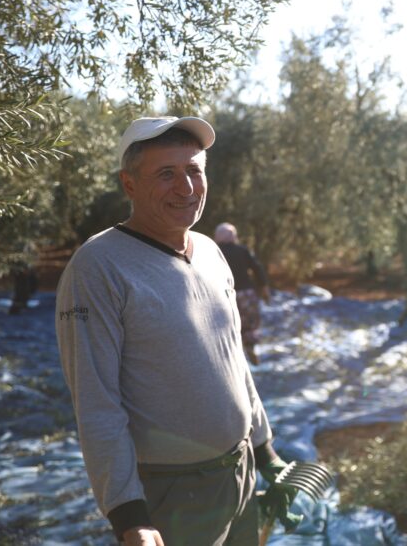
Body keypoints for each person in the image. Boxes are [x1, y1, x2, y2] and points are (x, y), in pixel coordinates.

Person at [55, 116, 297, 546]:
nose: (186, 188)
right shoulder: (98, 267)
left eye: (194, 171)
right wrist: (129, 515)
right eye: (166, 174)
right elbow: (97, 402)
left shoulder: (209, 250)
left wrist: (265, 451)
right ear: (128, 184)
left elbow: (232, 361)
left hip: (239, 475)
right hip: (172, 495)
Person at [214, 222, 271, 365]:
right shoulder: (242, 250)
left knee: (229, 325)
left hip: (223, 294)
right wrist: (264, 287)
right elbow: (257, 268)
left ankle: (233, 355)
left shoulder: (214, 252)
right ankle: (251, 347)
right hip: (246, 292)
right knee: (250, 323)